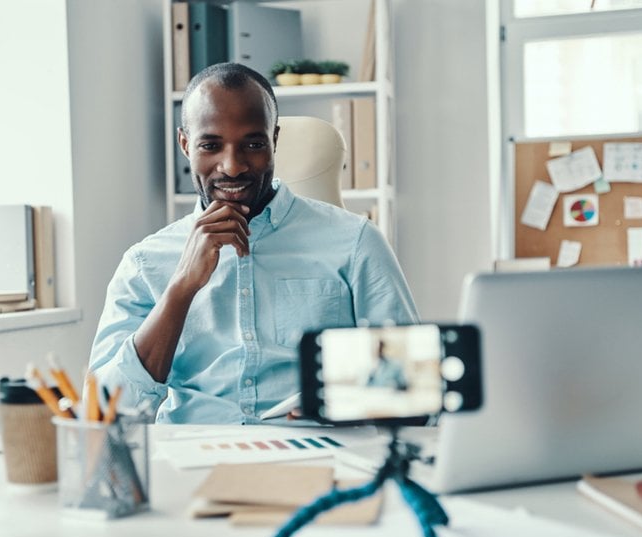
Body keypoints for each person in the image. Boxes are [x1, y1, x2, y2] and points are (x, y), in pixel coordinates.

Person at [89, 62, 417, 424]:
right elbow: (105, 411)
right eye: (211, 145)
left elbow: (411, 387)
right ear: (185, 145)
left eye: (253, 144)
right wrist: (181, 287)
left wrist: (348, 402)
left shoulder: (355, 242)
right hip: (194, 458)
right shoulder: (144, 263)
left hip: (312, 454)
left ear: (274, 141)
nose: (232, 166)